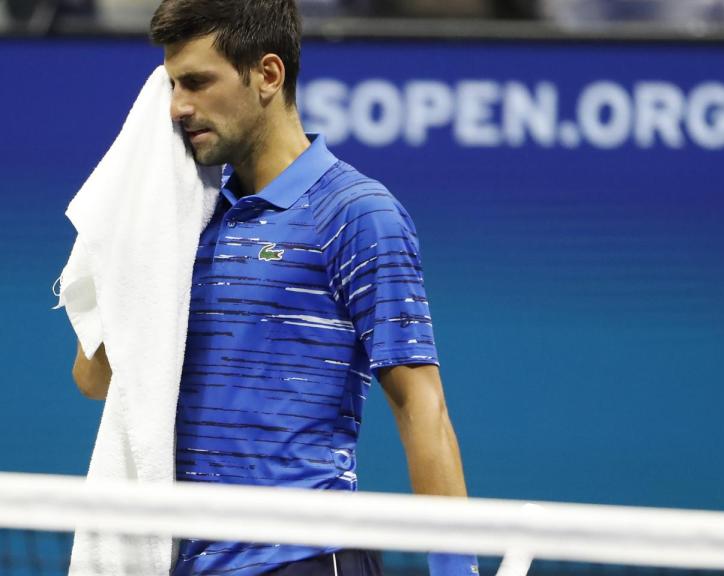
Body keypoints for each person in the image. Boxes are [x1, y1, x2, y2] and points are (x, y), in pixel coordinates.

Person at [70, 1, 478, 574]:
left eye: (196, 82)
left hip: (307, 557)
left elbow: (420, 405)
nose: (177, 107)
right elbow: (94, 380)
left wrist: (456, 569)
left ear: (267, 74)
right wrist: (130, 236)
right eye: (172, 85)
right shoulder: (182, 223)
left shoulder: (358, 213)